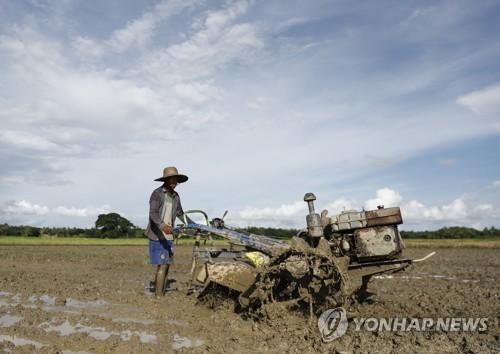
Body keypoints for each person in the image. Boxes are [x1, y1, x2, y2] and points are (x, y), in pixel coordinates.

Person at [145, 166, 193, 296]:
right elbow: (153, 214)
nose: (174, 182)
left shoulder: (175, 196)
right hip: (157, 235)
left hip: (169, 235)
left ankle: (160, 291)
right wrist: (162, 226)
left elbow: (180, 213)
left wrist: (193, 225)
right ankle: (159, 296)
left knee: (166, 264)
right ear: (166, 180)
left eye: (176, 180)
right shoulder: (157, 193)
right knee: (163, 265)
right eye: (172, 179)